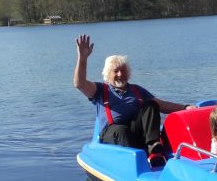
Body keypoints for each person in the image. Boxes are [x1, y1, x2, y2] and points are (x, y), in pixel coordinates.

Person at [73, 34, 193, 168]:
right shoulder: (100, 90)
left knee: (151, 104)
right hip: (114, 133)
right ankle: (134, 163)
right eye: (116, 71)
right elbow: (80, 84)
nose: (120, 74)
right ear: (107, 74)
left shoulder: (137, 90)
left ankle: (154, 149)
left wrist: (186, 107)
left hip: (135, 131)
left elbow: (162, 105)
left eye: (123, 70)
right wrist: (82, 58)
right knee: (121, 130)